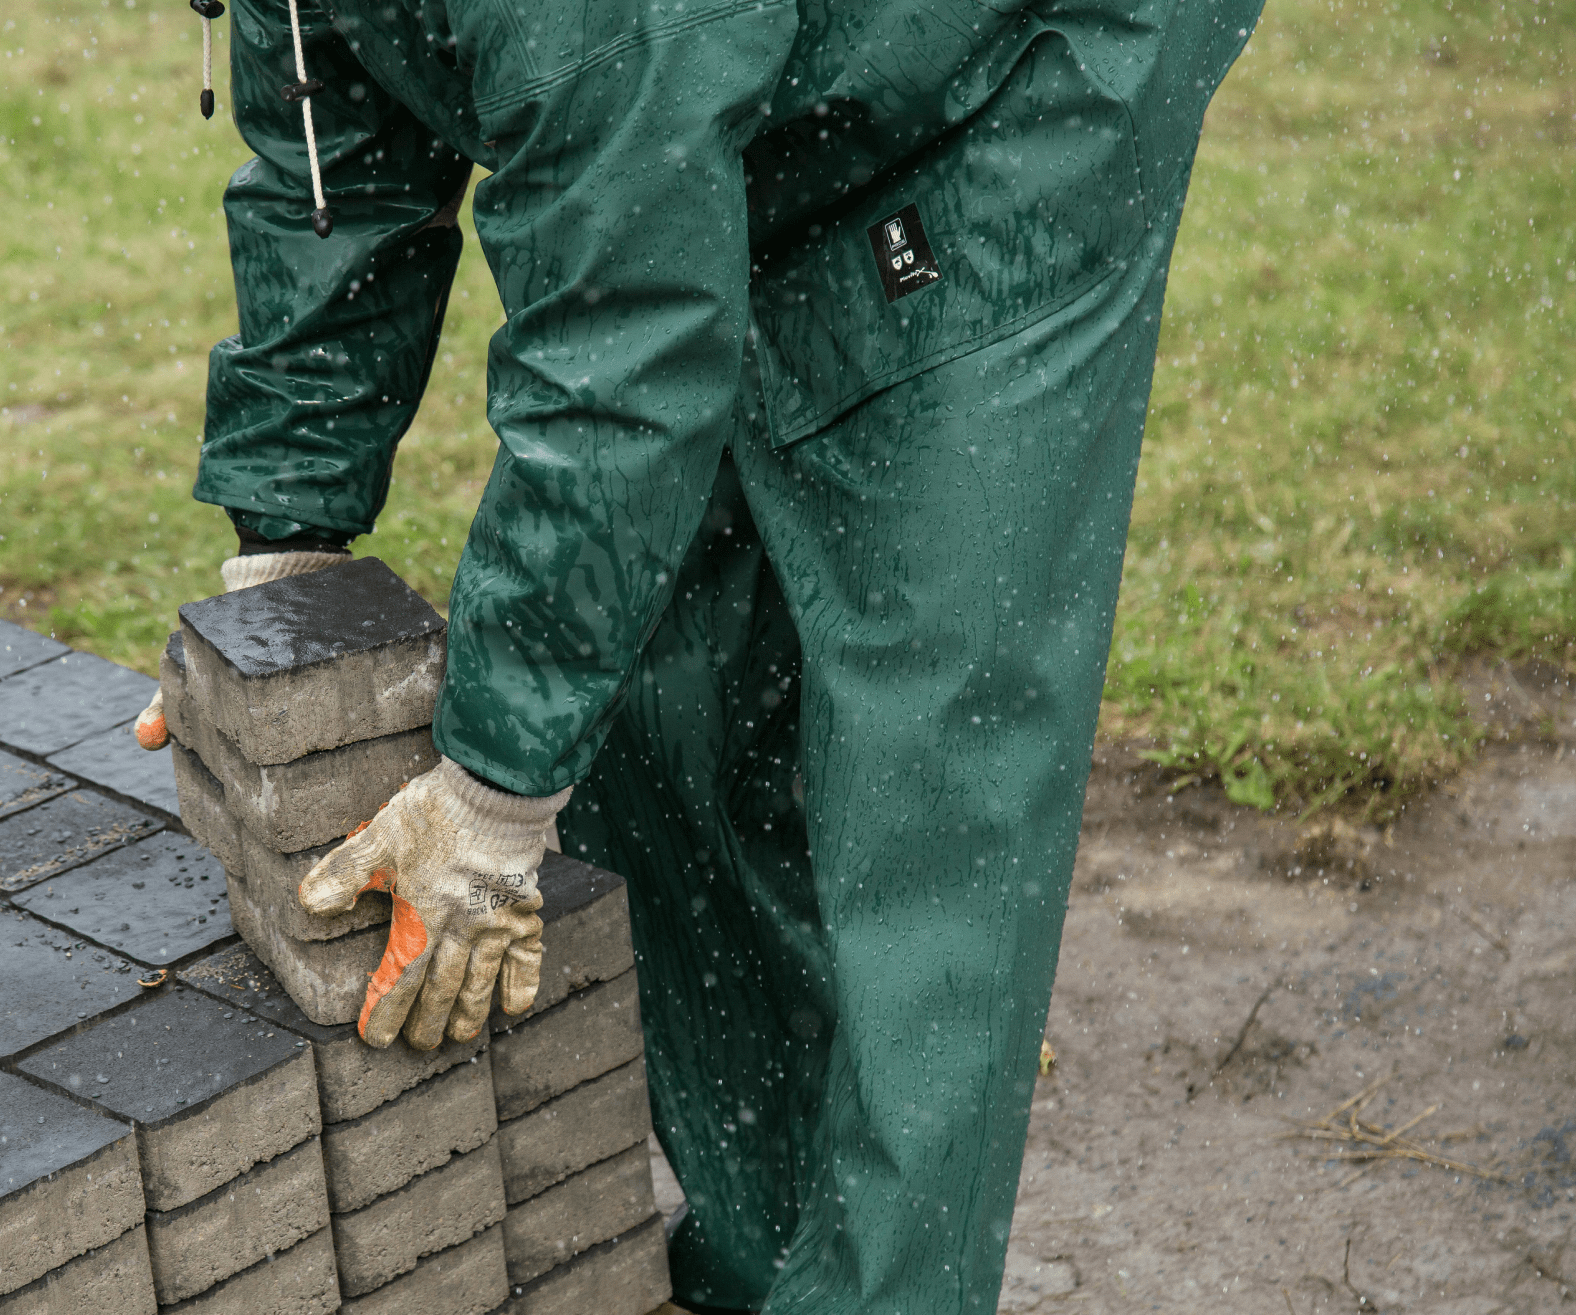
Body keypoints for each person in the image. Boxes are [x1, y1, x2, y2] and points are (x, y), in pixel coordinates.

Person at [134, 0, 1262, 1307]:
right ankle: (765, 1253)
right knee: (659, 701)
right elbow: (333, 178)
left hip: (1015, 83)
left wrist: (495, 795)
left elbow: (622, 348)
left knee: (919, 793)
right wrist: (287, 559)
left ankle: (882, 1285)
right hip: (737, 93)